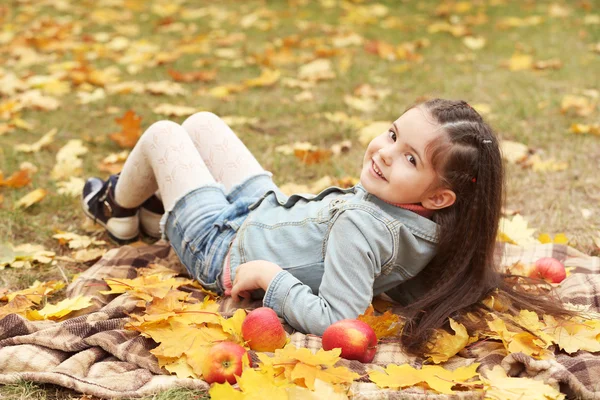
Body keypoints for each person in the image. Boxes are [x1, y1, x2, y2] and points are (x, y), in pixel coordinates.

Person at [82, 98, 575, 355]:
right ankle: (147, 208)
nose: (383, 152)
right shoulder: (446, 225)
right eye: (393, 133)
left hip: (221, 244)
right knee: (202, 123)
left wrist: (269, 279)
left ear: (437, 195)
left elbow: (337, 316)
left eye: (407, 157)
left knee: (166, 134)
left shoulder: (364, 228)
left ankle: (117, 211)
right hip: (264, 210)